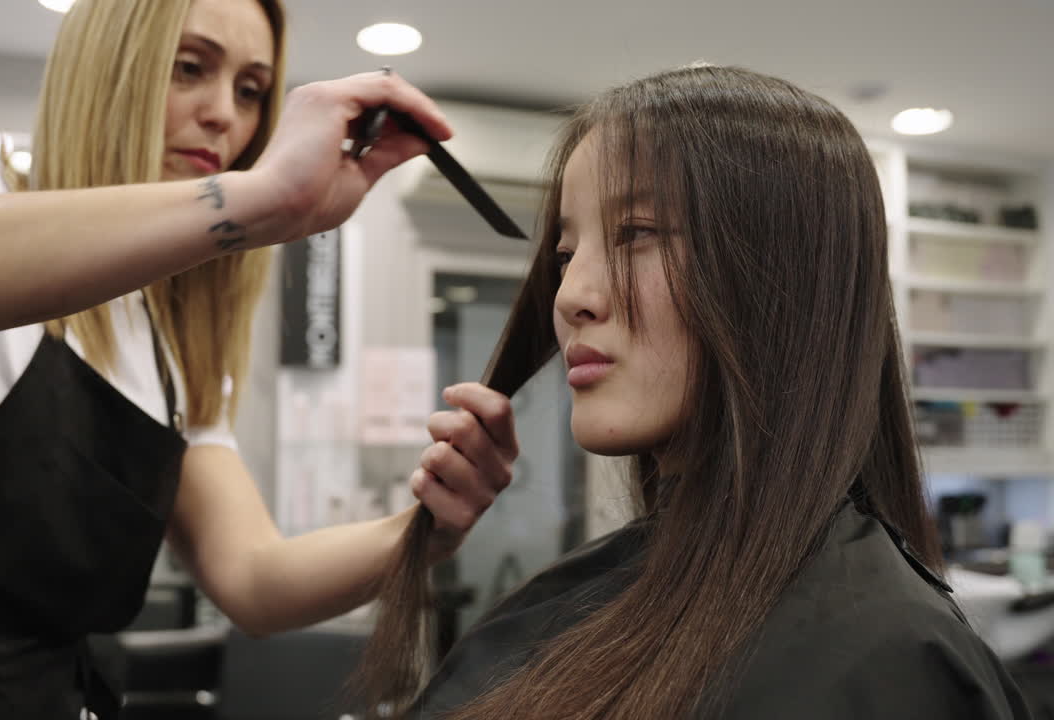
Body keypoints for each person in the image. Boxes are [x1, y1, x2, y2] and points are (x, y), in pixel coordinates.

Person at [0, 0, 517, 717]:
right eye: (190, 67)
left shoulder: (168, 352)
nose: (225, 113)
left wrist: (424, 531)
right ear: (109, 69)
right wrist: (254, 202)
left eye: (251, 89)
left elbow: (255, 580)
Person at [357, 64, 1031, 719]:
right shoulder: (587, 599)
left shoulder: (885, 656)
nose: (572, 297)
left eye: (638, 234)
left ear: (784, 279)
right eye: (566, 256)